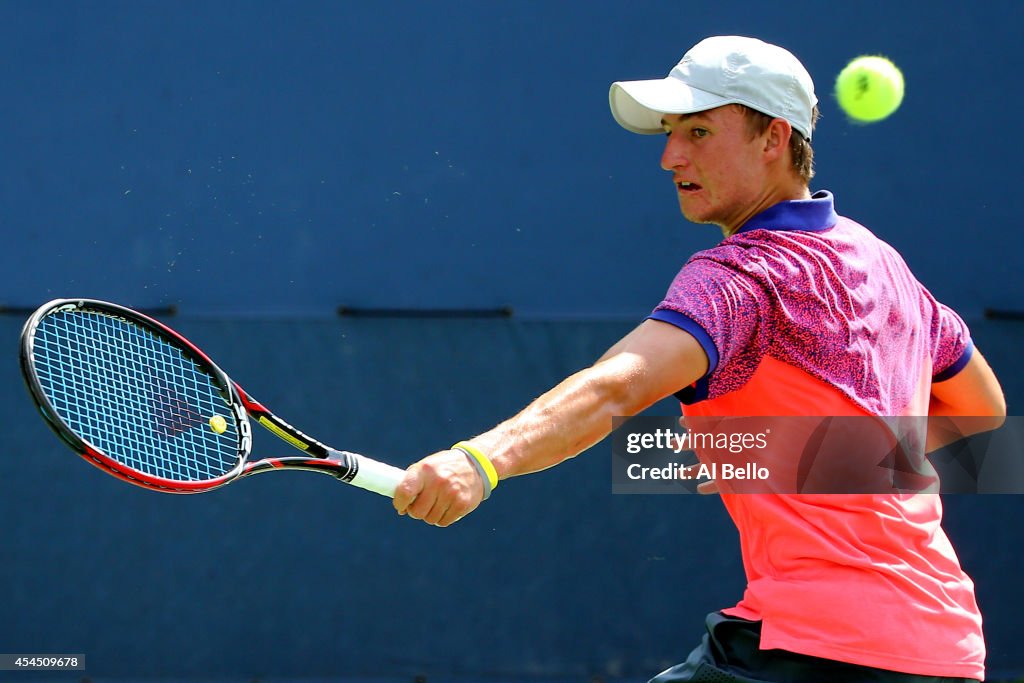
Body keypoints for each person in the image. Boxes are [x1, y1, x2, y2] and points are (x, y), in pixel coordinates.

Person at [393, 36, 1006, 682]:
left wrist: (481, 460)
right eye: (670, 133)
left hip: (815, 649)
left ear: (773, 138)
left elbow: (612, 390)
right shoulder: (886, 265)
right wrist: (795, 455)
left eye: (700, 131)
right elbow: (981, 409)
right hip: (944, 647)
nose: (669, 156)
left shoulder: (738, 278)